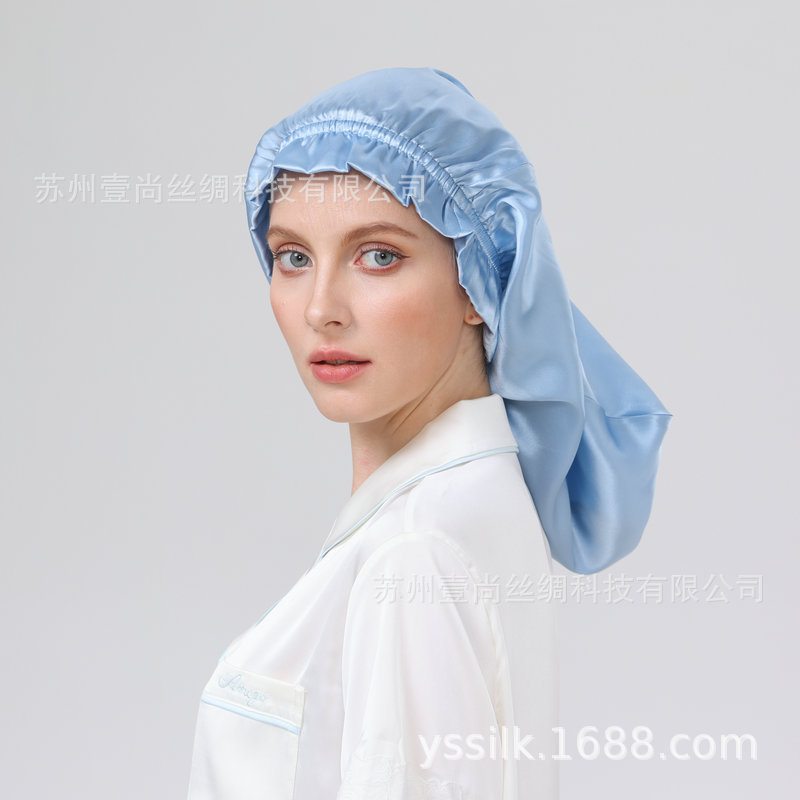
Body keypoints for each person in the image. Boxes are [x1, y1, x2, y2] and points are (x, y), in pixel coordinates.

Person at [186, 67, 671, 800]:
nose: (320, 308)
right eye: (293, 257)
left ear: (479, 283)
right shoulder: (475, 500)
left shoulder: (413, 551)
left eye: (378, 255)